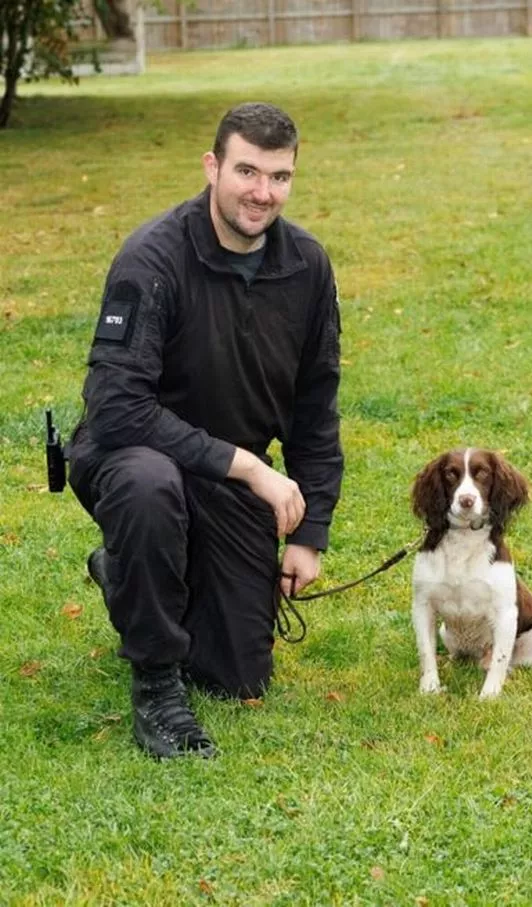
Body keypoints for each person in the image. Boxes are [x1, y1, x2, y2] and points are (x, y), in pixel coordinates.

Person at [68, 102, 343, 760]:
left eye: (279, 177)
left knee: (237, 673)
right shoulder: (151, 258)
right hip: (132, 459)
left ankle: (125, 573)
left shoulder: (306, 265)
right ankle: (156, 686)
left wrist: (310, 532)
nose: (261, 192)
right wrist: (250, 467)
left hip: (221, 481)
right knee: (147, 484)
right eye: (246, 170)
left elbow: (315, 406)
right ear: (212, 166)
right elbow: (116, 409)